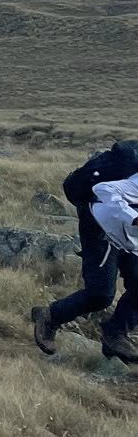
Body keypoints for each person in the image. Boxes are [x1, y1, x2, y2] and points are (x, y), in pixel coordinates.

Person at [33, 140, 138, 362]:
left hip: (130, 231)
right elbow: (106, 191)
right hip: (101, 222)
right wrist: (133, 218)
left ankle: (116, 335)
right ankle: (51, 316)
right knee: (101, 293)